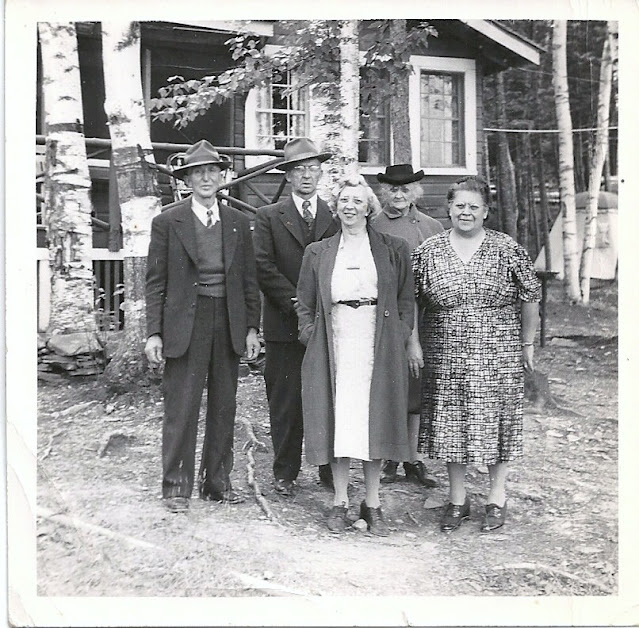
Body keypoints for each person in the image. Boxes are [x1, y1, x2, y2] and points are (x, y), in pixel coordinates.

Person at [411, 175, 541, 533]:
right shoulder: (428, 251)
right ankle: (457, 499)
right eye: (459, 206)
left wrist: (526, 343)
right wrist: (413, 342)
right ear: (449, 209)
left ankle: (496, 498)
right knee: (452, 423)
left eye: (473, 207)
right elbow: (410, 302)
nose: (465, 212)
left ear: (486, 212)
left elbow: (531, 296)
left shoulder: (507, 248)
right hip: (445, 350)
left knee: (498, 422)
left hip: (497, 349)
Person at [145, 139, 261, 513]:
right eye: (198, 172)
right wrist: (154, 332)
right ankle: (177, 488)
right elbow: (155, 282)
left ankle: (217, 482)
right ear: (188, 180)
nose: (206, 178)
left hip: (228, 321)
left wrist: (251, 328)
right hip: (185, 324)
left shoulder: (239, 223)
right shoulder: (167, 221)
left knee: (224, 405)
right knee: (182, 406)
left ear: (222, 177)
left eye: (212, 171)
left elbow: (248, 281)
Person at [296, 175, 414, 536]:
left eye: (357, 201)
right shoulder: (318, 251)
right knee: (340, 418)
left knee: (373, 417)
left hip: (377, 339)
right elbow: (304, 302)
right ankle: (341, 500)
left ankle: (373, 501)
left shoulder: (392, 248)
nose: (350, 206)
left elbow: (407, 299)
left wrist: (400, 334)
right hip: (335, 339)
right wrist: (311, 333)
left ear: (369, 208)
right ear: (336, 208)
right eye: (344, 201)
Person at [254, 138, 339, 497]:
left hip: (326, 325)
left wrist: (320, 309)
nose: (307, 175)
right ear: (288, 176)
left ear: (321, 173)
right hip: (284, 325)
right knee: (285, 400)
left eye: (312, 168)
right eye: (299, 169)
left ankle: (328, 469)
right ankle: (285, 471)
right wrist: (297, 304)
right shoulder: (269, 216)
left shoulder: (334, 218)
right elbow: (262, 266)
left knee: (327, 397)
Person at [372, 164, 443, 487]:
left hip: (425, 317)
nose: (398, 195)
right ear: (383, 192)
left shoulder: (431, 226)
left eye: (404, 189)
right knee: (389, 387)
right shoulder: (373, 224)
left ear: (414, 191)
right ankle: (389, 456)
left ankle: (412, 458)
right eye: (392, 189)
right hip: (386, 317)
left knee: (416, 389)